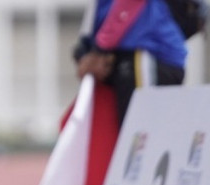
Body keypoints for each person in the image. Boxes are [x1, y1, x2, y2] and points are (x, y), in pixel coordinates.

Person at [73, 0, 188, 128]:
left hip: (148, 53)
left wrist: (99, 49)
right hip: (122, 55)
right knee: (128, 133)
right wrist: (84, 52)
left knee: (140, 133)